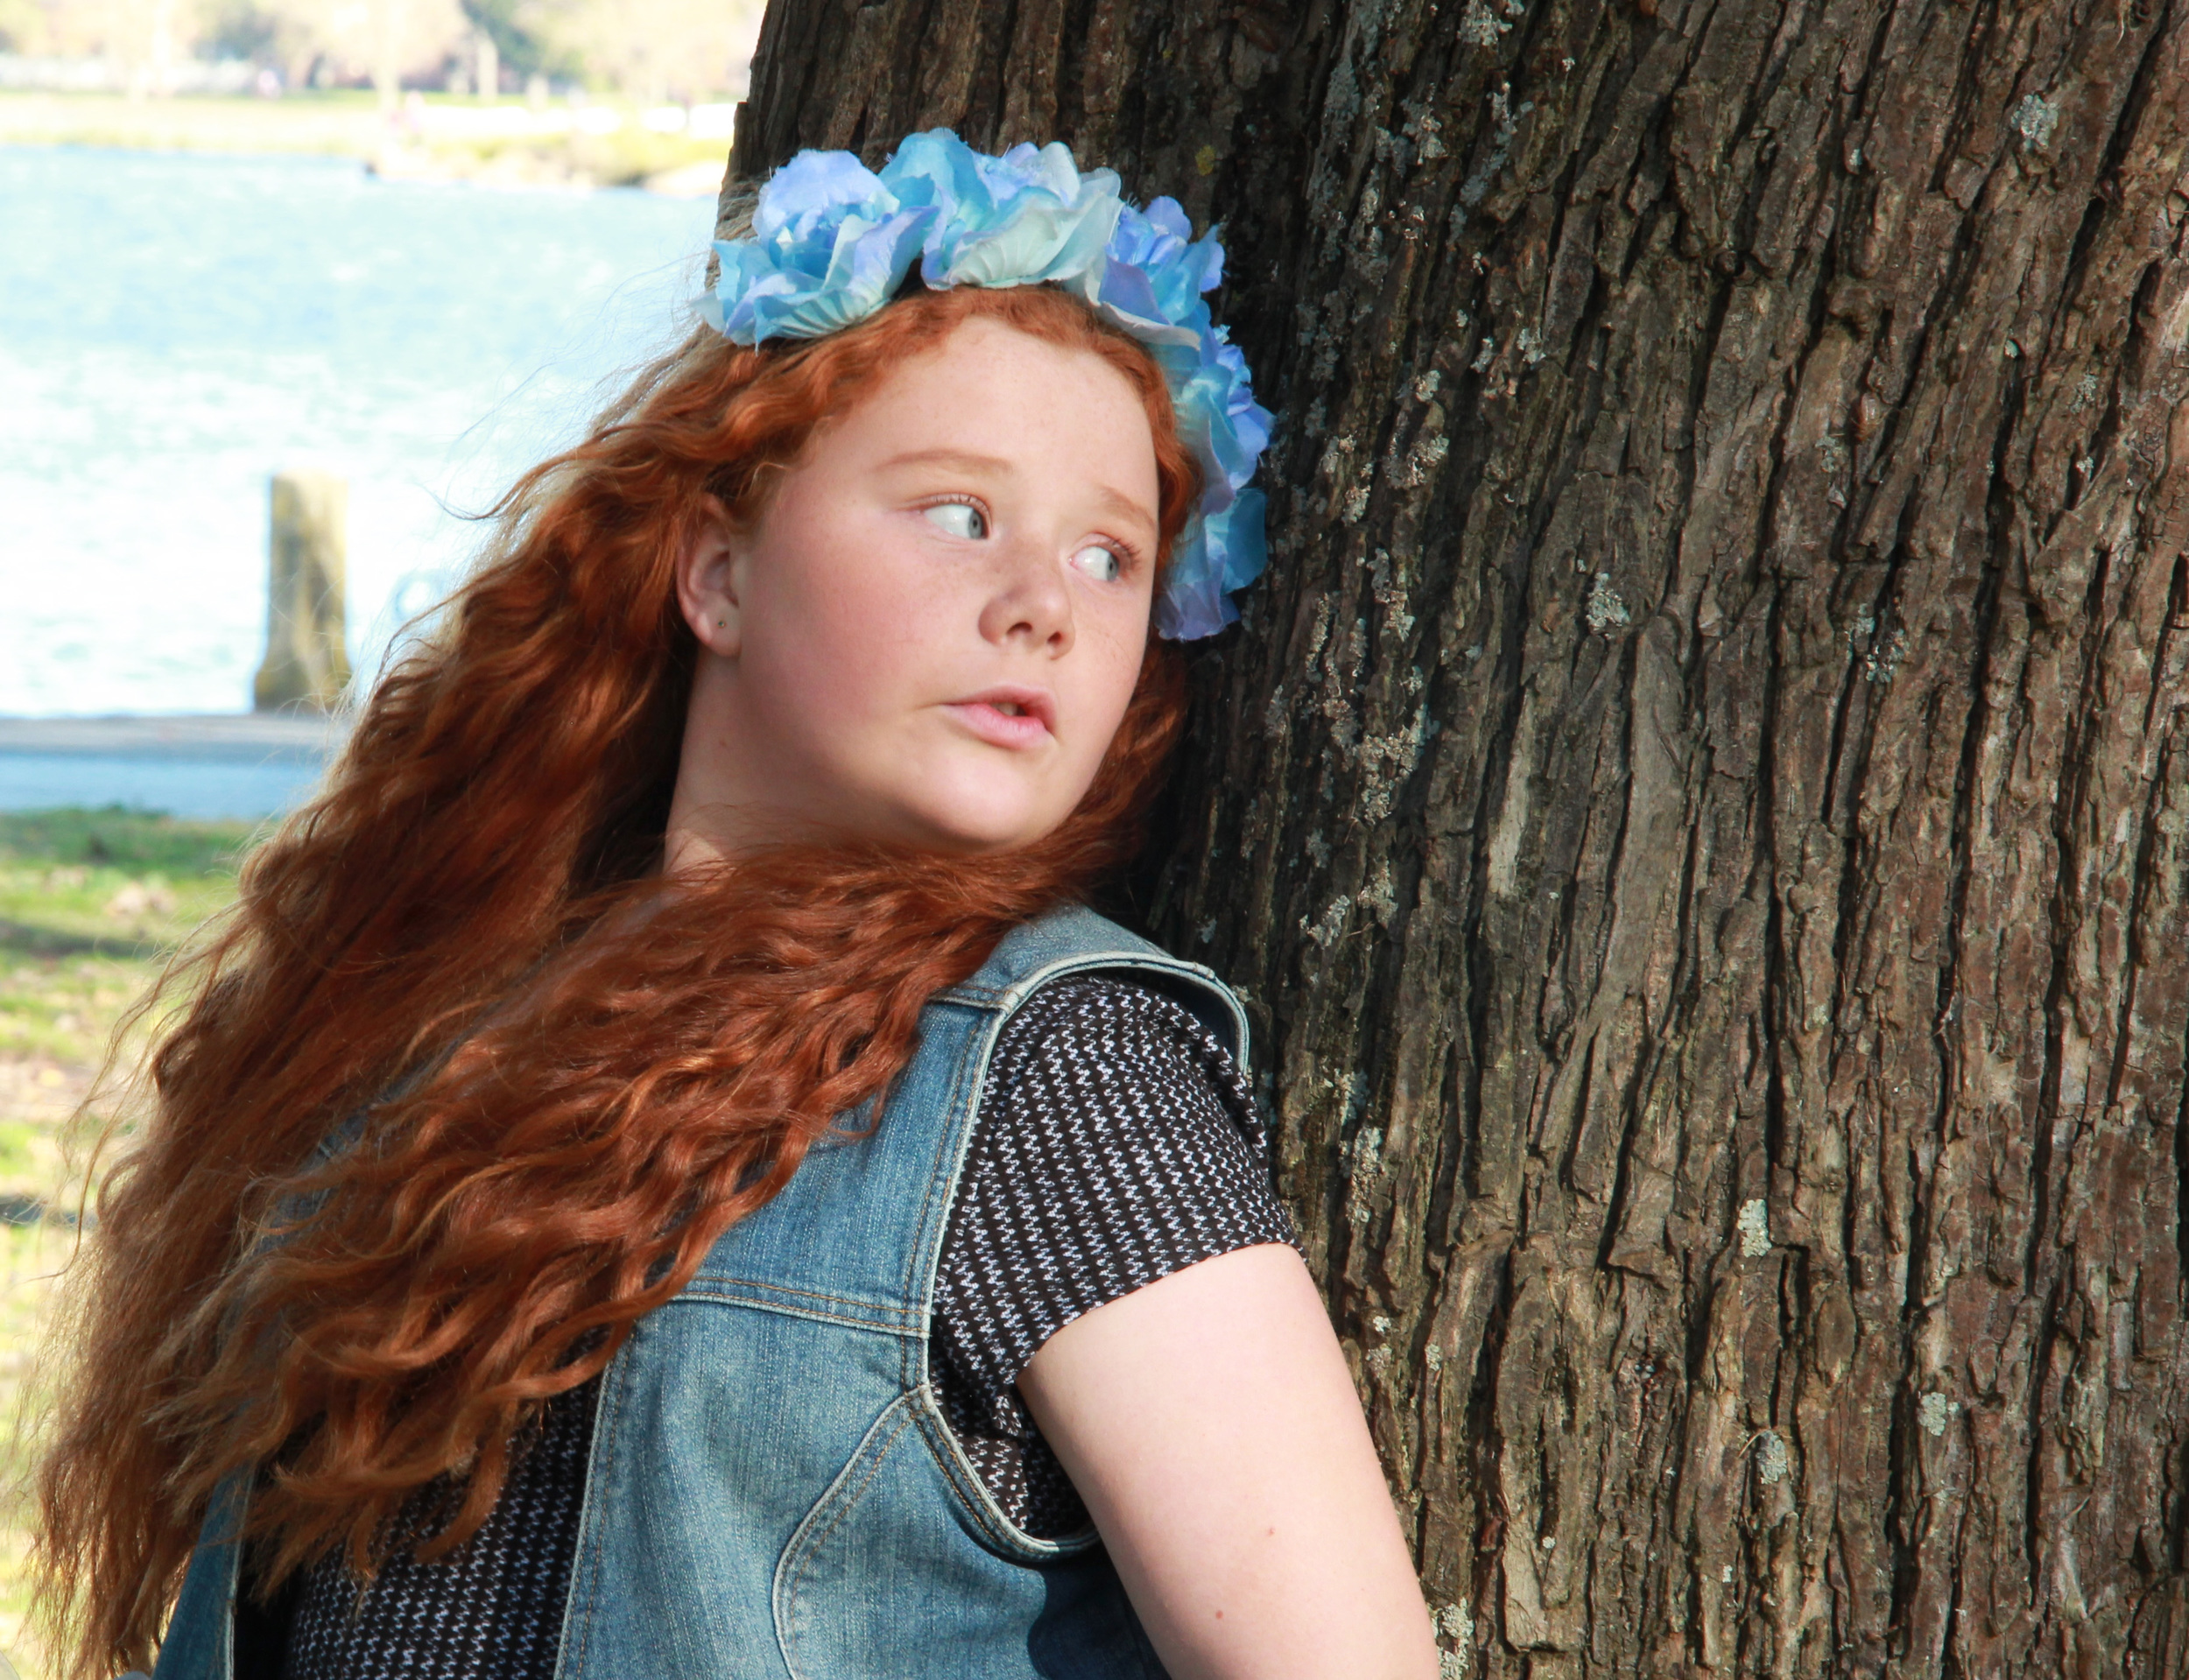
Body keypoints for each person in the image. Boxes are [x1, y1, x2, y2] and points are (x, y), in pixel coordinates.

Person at [33, 131, 1441, 1680]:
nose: (1044, 598)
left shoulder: (1057, 1085)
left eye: (1112, 554)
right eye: (959, 513)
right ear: (715, 572)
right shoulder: (438, 1009)